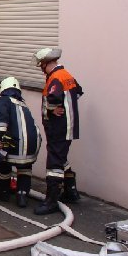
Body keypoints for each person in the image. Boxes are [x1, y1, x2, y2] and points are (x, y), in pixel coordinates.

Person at [32, 48, 84, 215]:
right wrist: (66, 105)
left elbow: (53, 98)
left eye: (41, 65)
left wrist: (53, 109)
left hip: (59, 128)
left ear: (46, 63)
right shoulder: (66, 75)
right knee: (60, 158)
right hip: (66, 127)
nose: (41, 69)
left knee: (54, 164)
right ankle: (71, 190)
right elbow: (78, 91)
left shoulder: (55, 78)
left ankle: (51, 201)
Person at [0, 77, 41, 208]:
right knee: (25, 168)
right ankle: (22, 196)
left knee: (3, 164)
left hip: (13, 143)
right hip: (32, 144)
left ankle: (3, 192)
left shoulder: (3, 100)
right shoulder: (23, 105)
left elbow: (1, 122)